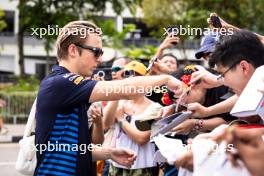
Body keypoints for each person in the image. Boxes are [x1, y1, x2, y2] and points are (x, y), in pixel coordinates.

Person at [34, 21, 183, 176]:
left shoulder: (66, 87)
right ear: (73, 50)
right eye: (96, 52)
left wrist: (109, 153)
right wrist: (166, 79)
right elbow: (124, 90)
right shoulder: (62, 82)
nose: (100, 60)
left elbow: (74, 148)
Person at [174, 29, 264, 175]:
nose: (224, 82)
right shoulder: (256, 83)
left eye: (222, 74)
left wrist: (208, 150)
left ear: (243, 67)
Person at [106, 61, 162, 176]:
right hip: (116, 164)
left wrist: (121, 119)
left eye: (137, 76)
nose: (133, 80)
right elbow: (105, 125)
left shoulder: (155, 108)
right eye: (129, 75)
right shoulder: (119, 102)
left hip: (142, 166)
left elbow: (141, 139)